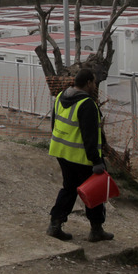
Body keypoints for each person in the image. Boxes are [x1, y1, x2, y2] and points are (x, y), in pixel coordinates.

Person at [46, 68, 114, 243]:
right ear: (89, 83)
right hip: (81, 156)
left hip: (61, 151)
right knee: (95, 192)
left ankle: (55, 224)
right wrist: (97, 161)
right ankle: (96, 229)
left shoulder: (62, 96)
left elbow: (54, 122)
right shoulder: (87, 104)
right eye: (94, 82)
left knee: (69, 188)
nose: (95, 86)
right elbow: (89, 136)